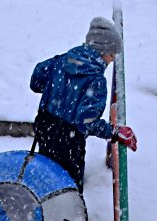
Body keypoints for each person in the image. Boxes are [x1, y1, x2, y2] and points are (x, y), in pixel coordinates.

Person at [30, 16, 138, 191]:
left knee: (46, 181)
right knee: (68, 191)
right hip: (69, 142)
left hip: (45, 129)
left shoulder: (62, 60)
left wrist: (58, 88)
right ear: (102, 51)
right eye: (112, 55)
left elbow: (36, 81)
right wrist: (113, 132)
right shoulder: (96, 80)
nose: (112, 60)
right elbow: (86, 122)